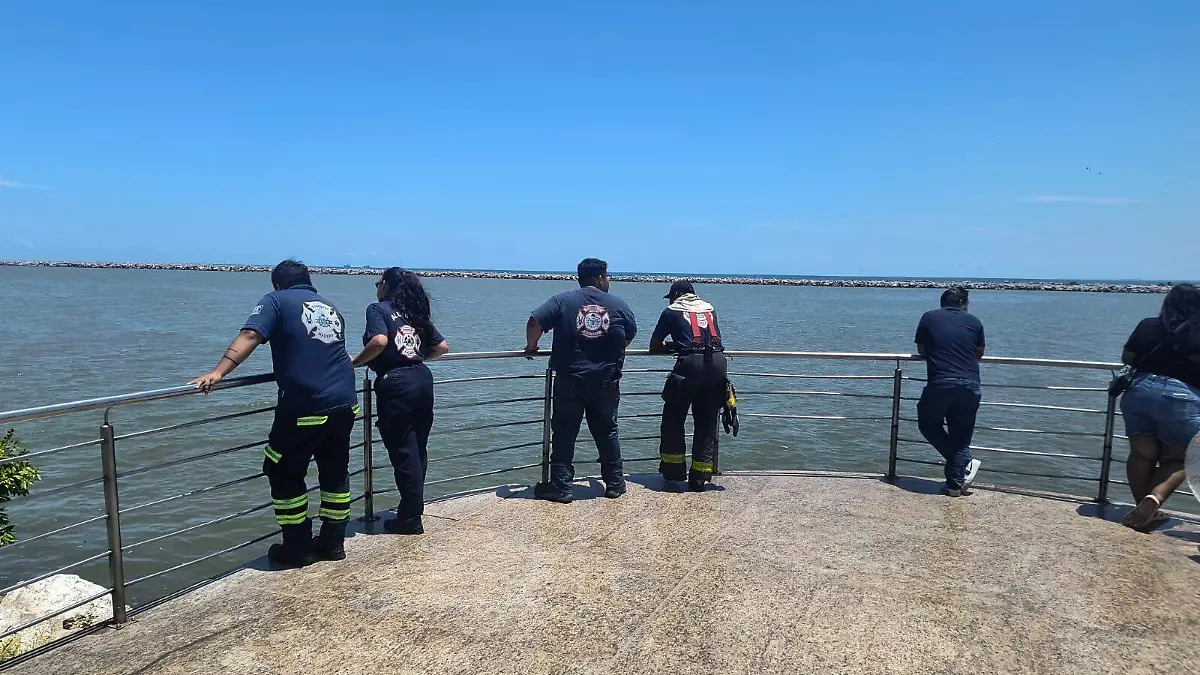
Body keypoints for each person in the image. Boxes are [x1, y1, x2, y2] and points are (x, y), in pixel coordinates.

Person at [190, 259, 358, 567]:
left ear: (277, 284)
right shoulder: (329, 306)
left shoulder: (275, 301)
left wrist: (219, 372)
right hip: (345, 402)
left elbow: (252, 335)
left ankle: (297, 548)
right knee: (334, 472)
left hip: (307, 406)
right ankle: (333, 543)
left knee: (281, 470)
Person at [525, 258, 637, 502]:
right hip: (607, 381)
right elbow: (630, 334)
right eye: (607, 277)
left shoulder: (563, 300)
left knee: (565, 433)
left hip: (570, 380)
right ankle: (615, 483)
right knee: (607, 431)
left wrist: (531, 346)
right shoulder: (618, 304)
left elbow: (535, 321)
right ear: (599, 278)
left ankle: (562, 486)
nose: (608, 281)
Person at [350, 267, 449, 535]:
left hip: (395, 383)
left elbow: (380, 340)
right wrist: (414, 358)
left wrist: (356, 362)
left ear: (386, 286)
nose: (376, 286)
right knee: (418, 449)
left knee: (403, 452)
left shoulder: (378, 309)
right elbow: (441, 347)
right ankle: (412, 511)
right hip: (422, 379)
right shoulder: (414, 310)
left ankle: (410, 519)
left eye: (378, 282)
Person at [1117, 283, 1200, 531]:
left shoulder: (1148, 325)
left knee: (1142, 453)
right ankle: (1155, 499)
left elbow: (1127, 358)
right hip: (1181, 398)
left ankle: (1144, 510)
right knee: (1180, 460)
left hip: (1139, 391)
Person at [649, 281, 728, 491]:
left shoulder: (671, 311)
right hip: (718, 364)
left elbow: (655, 345)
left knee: (674, 416)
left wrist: (675, 346)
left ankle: (674, 472)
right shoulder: (710, 309)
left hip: (690, 366)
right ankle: (700, 476)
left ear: (675, 295)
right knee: (707, 421)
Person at [914, 287, 985, 497]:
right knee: (961, 435)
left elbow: (921, 349)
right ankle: (954, 485)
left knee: (927, 424)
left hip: (941, 382)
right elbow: (979, 353)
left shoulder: (928, 318)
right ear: (964, 303)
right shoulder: (975, 322)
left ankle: (964, 463)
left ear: (942, 302)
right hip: (971, 384)